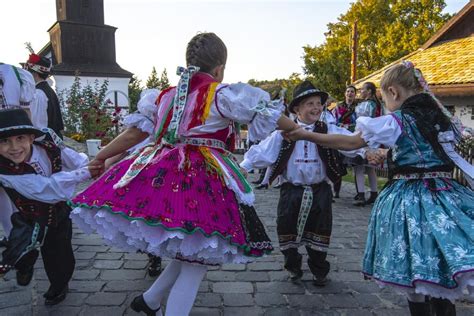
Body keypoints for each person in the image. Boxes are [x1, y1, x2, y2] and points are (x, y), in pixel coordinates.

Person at [69, 32, 297, 315]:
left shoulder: (164, 96)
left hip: (162, 173)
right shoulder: (220, 94)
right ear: (219, 68)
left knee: (191, 249)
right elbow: (273, 117)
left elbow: (133, 134)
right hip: (202, 181)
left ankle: (150, 301)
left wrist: (102, 156)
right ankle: (157, 304)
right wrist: (295, 129)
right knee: (195, 262)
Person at [286, 61, 474, 316]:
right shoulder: (442, 118)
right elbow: (427, 154)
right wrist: (389, 155)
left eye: (385, 99)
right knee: (440, 266)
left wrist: (307, 135)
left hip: (412, 201)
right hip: (446, 196)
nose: (386, 105)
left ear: (393, 92)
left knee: (414, 266)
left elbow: (352, 142)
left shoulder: (399, 119)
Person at [240, 81, 364, 285]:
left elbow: (348, 140)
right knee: (286, 228)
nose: (316, 108)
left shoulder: (328, 129)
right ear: (297, 108)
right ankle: (293, 265)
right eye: (310, 104)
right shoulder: (284, 133)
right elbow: (263, 151)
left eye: (319, 103)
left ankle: (319, 270)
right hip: (291, 191)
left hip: (320, 190)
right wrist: (244, 166)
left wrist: (365, 151)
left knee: (320, 230)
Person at [0, 108, 95, 305]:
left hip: (57, 212)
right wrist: (85, 173)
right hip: (25, 215)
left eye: (20, 138)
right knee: (18, 249)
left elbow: (76, 161)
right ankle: (24, 265)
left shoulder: (49, 146)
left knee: (59, 251)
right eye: (4, 141)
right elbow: (48, 189)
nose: (14, 147)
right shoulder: (4, 170)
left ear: (31, 137)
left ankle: (59, 285)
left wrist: (91, 166)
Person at [0, 63, 36, 247]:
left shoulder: (14, 73)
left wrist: (29, 139)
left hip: (12, 138)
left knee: (16, 185)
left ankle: (19, 232)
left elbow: (26, 111)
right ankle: (11, 234)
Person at [352, 82, 383, 206]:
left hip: (364, 136)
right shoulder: (376, 104)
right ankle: (373, 193)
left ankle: (361, 194)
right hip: (372, 137)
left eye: (363, 89)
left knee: (359, 166)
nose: (361, 91)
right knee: (370, 168)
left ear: (369, 91)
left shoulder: (369, 105)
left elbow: (366, 122)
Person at [25, 53, 65, 139]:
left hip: (44, 142)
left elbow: (37, 125)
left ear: (34, 74)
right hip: (52, 139)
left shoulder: (39, 93)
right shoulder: (48, 90)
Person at [332, 85, 358, 198]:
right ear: (345, 93)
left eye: (352, 92)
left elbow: (360, 121)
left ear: (355, 94)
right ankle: (336, 190)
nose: (350, 93)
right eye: (348, 91)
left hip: (353, 137)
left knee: (358, 165)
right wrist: (340, 125)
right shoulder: (338, 107)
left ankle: (359, 192)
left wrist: (351, 126)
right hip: (339, 136)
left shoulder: (359, 107)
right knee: (337, 163)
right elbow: (333, 120)